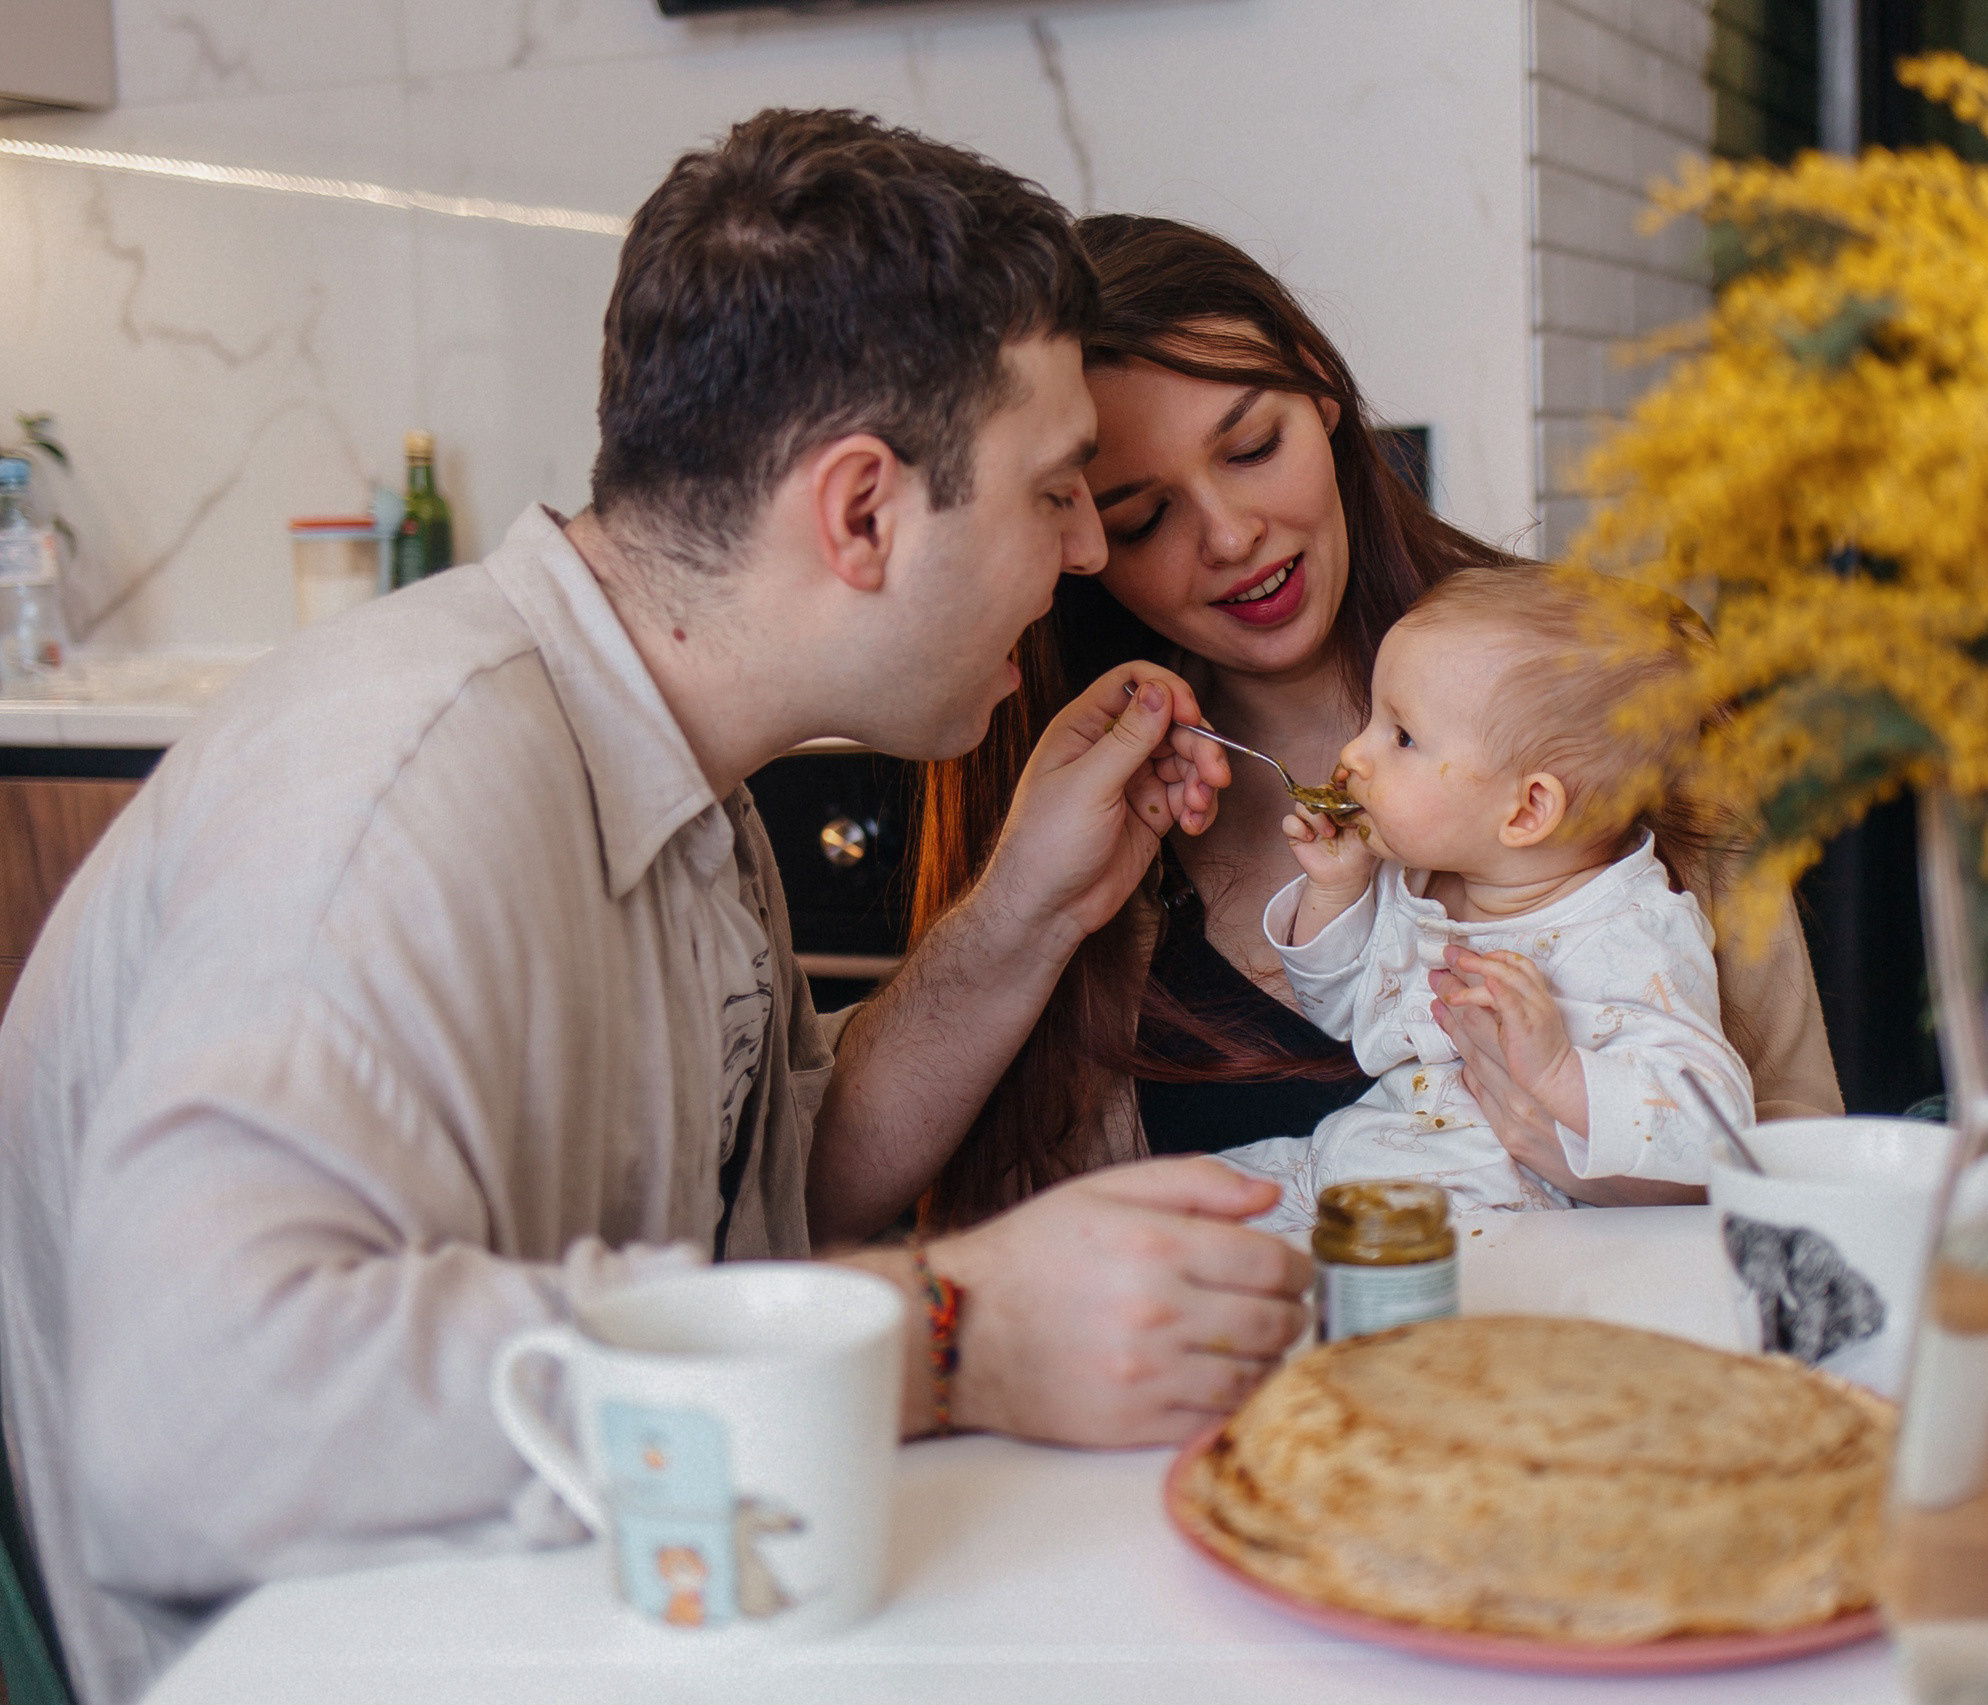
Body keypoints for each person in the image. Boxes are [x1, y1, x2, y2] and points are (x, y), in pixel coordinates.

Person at [0, 112, 1308, 1705]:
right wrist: (954, 1332)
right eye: (1056, 494)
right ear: (863, 515)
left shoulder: (672, 755)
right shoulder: (401, 784)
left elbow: (791, 1194)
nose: (1089, 549)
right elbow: (194, 1420)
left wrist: (1019, 917)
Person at [862, 215, 1842, 1230]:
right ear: (1077, 539)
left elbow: (1801, 1140)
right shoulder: (1073, 799)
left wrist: (1607, 1146)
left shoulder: (1612, 694)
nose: (1232, 535)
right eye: (1141, 518)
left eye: (1250, 448)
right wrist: (1025, 906)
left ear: (1322, 396)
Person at [1220, 567, 1755, 1226]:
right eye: (1372, 719)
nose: (1354, 753)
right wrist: (1336, 888)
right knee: (1162, 1206)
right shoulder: (1419, 880)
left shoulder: (1633, 934)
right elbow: (1344, 1015)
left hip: (1489, 1223)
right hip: (1343, 1168)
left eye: (1403, 737)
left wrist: (1562, 1072)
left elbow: (1718, 1129)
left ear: (1527, 810)